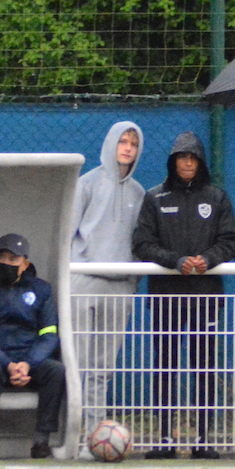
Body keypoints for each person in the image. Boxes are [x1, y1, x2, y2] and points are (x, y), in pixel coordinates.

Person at [132, 132, 235, 459]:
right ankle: (164, 438)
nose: (188, 163)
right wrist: (175, 262)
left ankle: (203, 439)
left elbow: (230, 241)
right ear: (173, 161)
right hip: (166, 296)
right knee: (165, 367)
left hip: (205, 296)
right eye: (182, 157)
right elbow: (142, 244)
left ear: (201, 161)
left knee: (204, 367)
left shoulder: (217, 197)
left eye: (193, 157)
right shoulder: (155, 197)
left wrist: (208, 260)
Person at [70, 121, 144, 445]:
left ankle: (94, 434)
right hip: (83, 282)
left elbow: (140, 242)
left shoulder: (140, 194)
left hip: (119, 288)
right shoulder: (86, 184)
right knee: (78, 362)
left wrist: (131, 280)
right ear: (111, 143)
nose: (127, 148)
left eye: (133, 143)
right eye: (122, 141)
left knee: (102, 366)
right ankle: (69, 433)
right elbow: (67, 233)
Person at [0, 233, 65, 459]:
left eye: (13, 259)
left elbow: (49, 335)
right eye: (2, 257)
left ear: (25, 263)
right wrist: (8, 364)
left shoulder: (42, 290)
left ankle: (41, 441)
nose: (6, 263)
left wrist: (27, 364)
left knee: (56, 370)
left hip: (29, 360)